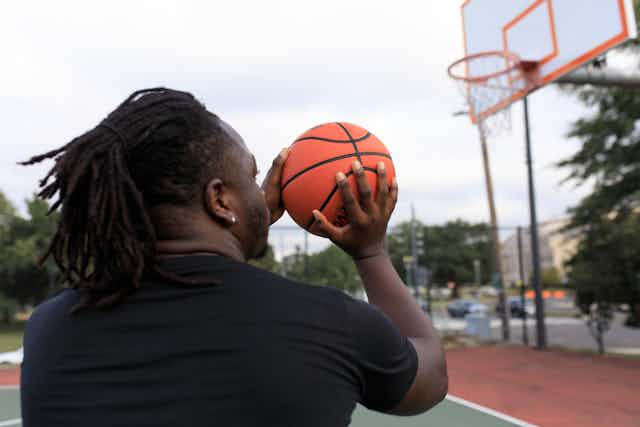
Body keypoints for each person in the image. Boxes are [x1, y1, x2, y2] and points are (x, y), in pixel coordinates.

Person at [20, 88, 447, 426]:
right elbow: (429, 377)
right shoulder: (331, 323)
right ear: (220, 199)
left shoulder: (51, 330)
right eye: (252, 174)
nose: (263, 192)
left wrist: (241, 223)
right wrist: (369, 250)